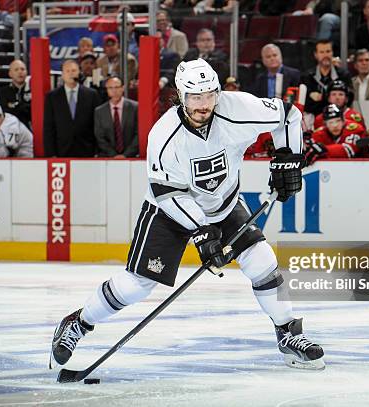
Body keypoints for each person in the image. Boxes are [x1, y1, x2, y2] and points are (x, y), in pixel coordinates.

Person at [49, 58, 325, 371]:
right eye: (195, 97)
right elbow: (168, 194)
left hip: (222, 203)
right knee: (135, 285)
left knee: (261, 259)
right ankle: (78, 323)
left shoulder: (238, 109)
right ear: (181, 96)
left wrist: (286, 158)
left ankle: (288, 332)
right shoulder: (164, 136)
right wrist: (203, 231)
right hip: (168, 211)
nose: (203, 105)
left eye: (209, 95)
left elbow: (287, 115)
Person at [43, 59, 101, 157]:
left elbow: (97, 124)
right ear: (62, 74)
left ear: (79, 72)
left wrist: (97, 151)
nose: (70, 74)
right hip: (61, 151)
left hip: (87, 150)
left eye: (73, 71)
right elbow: (49, 127)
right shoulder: (52, 97)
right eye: (67, 71)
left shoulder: (91, 95)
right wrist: (51, 154)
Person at [301, 39, 352, 122]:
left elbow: (348, 99)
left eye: (328, 51)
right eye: (322, 52)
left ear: (332, 53)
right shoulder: (307, 76)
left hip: (339, 118)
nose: (325, 55)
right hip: (313, 119)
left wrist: (321, 99)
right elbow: (305, 104)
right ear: (316, 55)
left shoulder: (344, 75)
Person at [94, 76, 139, 158]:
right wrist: (114, 155)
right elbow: (100, 137)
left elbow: (138, 134)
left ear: (123, 88)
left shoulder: (135, 107)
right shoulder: (99, 111)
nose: (114, 90)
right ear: (106, 90)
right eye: (110, 88)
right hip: (107, 157)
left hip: (131, 157)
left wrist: (126, 155)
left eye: (117, 87)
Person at [0, 59, 31, 128]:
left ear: (27, 72)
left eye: (22, 69)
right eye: (16, 70)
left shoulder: (33, 91)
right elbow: (4, 114)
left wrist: (15, 106)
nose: (20, 72)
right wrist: (22, 107)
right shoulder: (2, 92)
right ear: (10, 74)